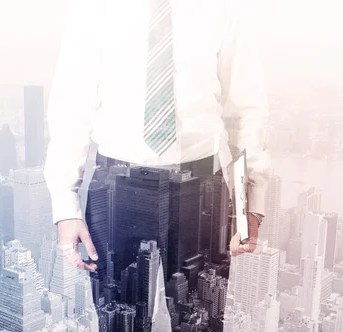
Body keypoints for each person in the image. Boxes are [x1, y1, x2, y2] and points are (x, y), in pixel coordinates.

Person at [44, 0, 269, 329]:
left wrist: (251, 197)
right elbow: (71, 104)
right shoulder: (93, 7)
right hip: (115, 188)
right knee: (119, 321)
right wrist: (65, 205)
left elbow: (244, 106)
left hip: (202, 187)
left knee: (201, 318)